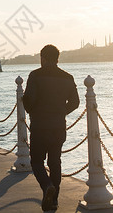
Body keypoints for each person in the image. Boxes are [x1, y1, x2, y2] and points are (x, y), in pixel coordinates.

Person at [22, 44, 80, 211]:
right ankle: (53, 200)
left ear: (43, 58)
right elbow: (75, 102)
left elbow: (29, 100)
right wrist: (61, 112)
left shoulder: (35, 75)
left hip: (40, 126)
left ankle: (47, 186)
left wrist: (31, 109)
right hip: (58, 126)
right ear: (57, 58)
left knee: (37, 162)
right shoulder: (68, 77)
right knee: (55, 162)